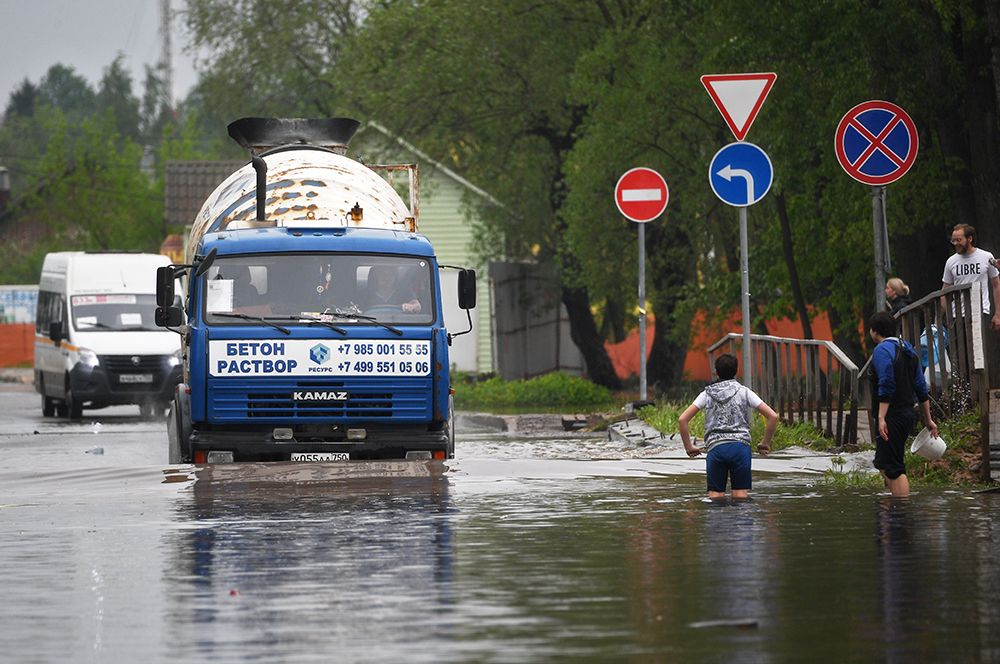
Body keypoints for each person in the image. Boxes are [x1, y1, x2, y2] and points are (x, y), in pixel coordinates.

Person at [678, 353, 779, 499]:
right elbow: (773, 416)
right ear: (737, 371)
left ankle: (718, 521)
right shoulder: (744, 392)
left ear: (716, 372)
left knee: (715, 495)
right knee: (740, 494)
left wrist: (689, 447)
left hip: (716, 448)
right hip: (740, 448)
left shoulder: (707, 394)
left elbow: (683, 420)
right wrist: (765, 443)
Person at [867, 312, 938, 498]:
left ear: (875, 331)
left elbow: (887, 383)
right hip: (907, 413)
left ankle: (901, 511)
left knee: (893, 467)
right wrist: (928, 419)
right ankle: (892, 507)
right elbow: (921, 388)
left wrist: (881, 417)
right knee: (883, 462)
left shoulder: (882, 351)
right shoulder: (907, 348)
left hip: (893, 416)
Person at [942, 224, 1000, 331]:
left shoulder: (986, 257)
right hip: (957, 315)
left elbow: (996, 285)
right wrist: (938, 318)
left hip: (981, 311)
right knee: (961, 347)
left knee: (979, 346)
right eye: (953, 241)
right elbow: (945, 291)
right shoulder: (951, 261)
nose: (956, 244)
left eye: (959, 240)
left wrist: (998, 313)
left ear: (970, 239)